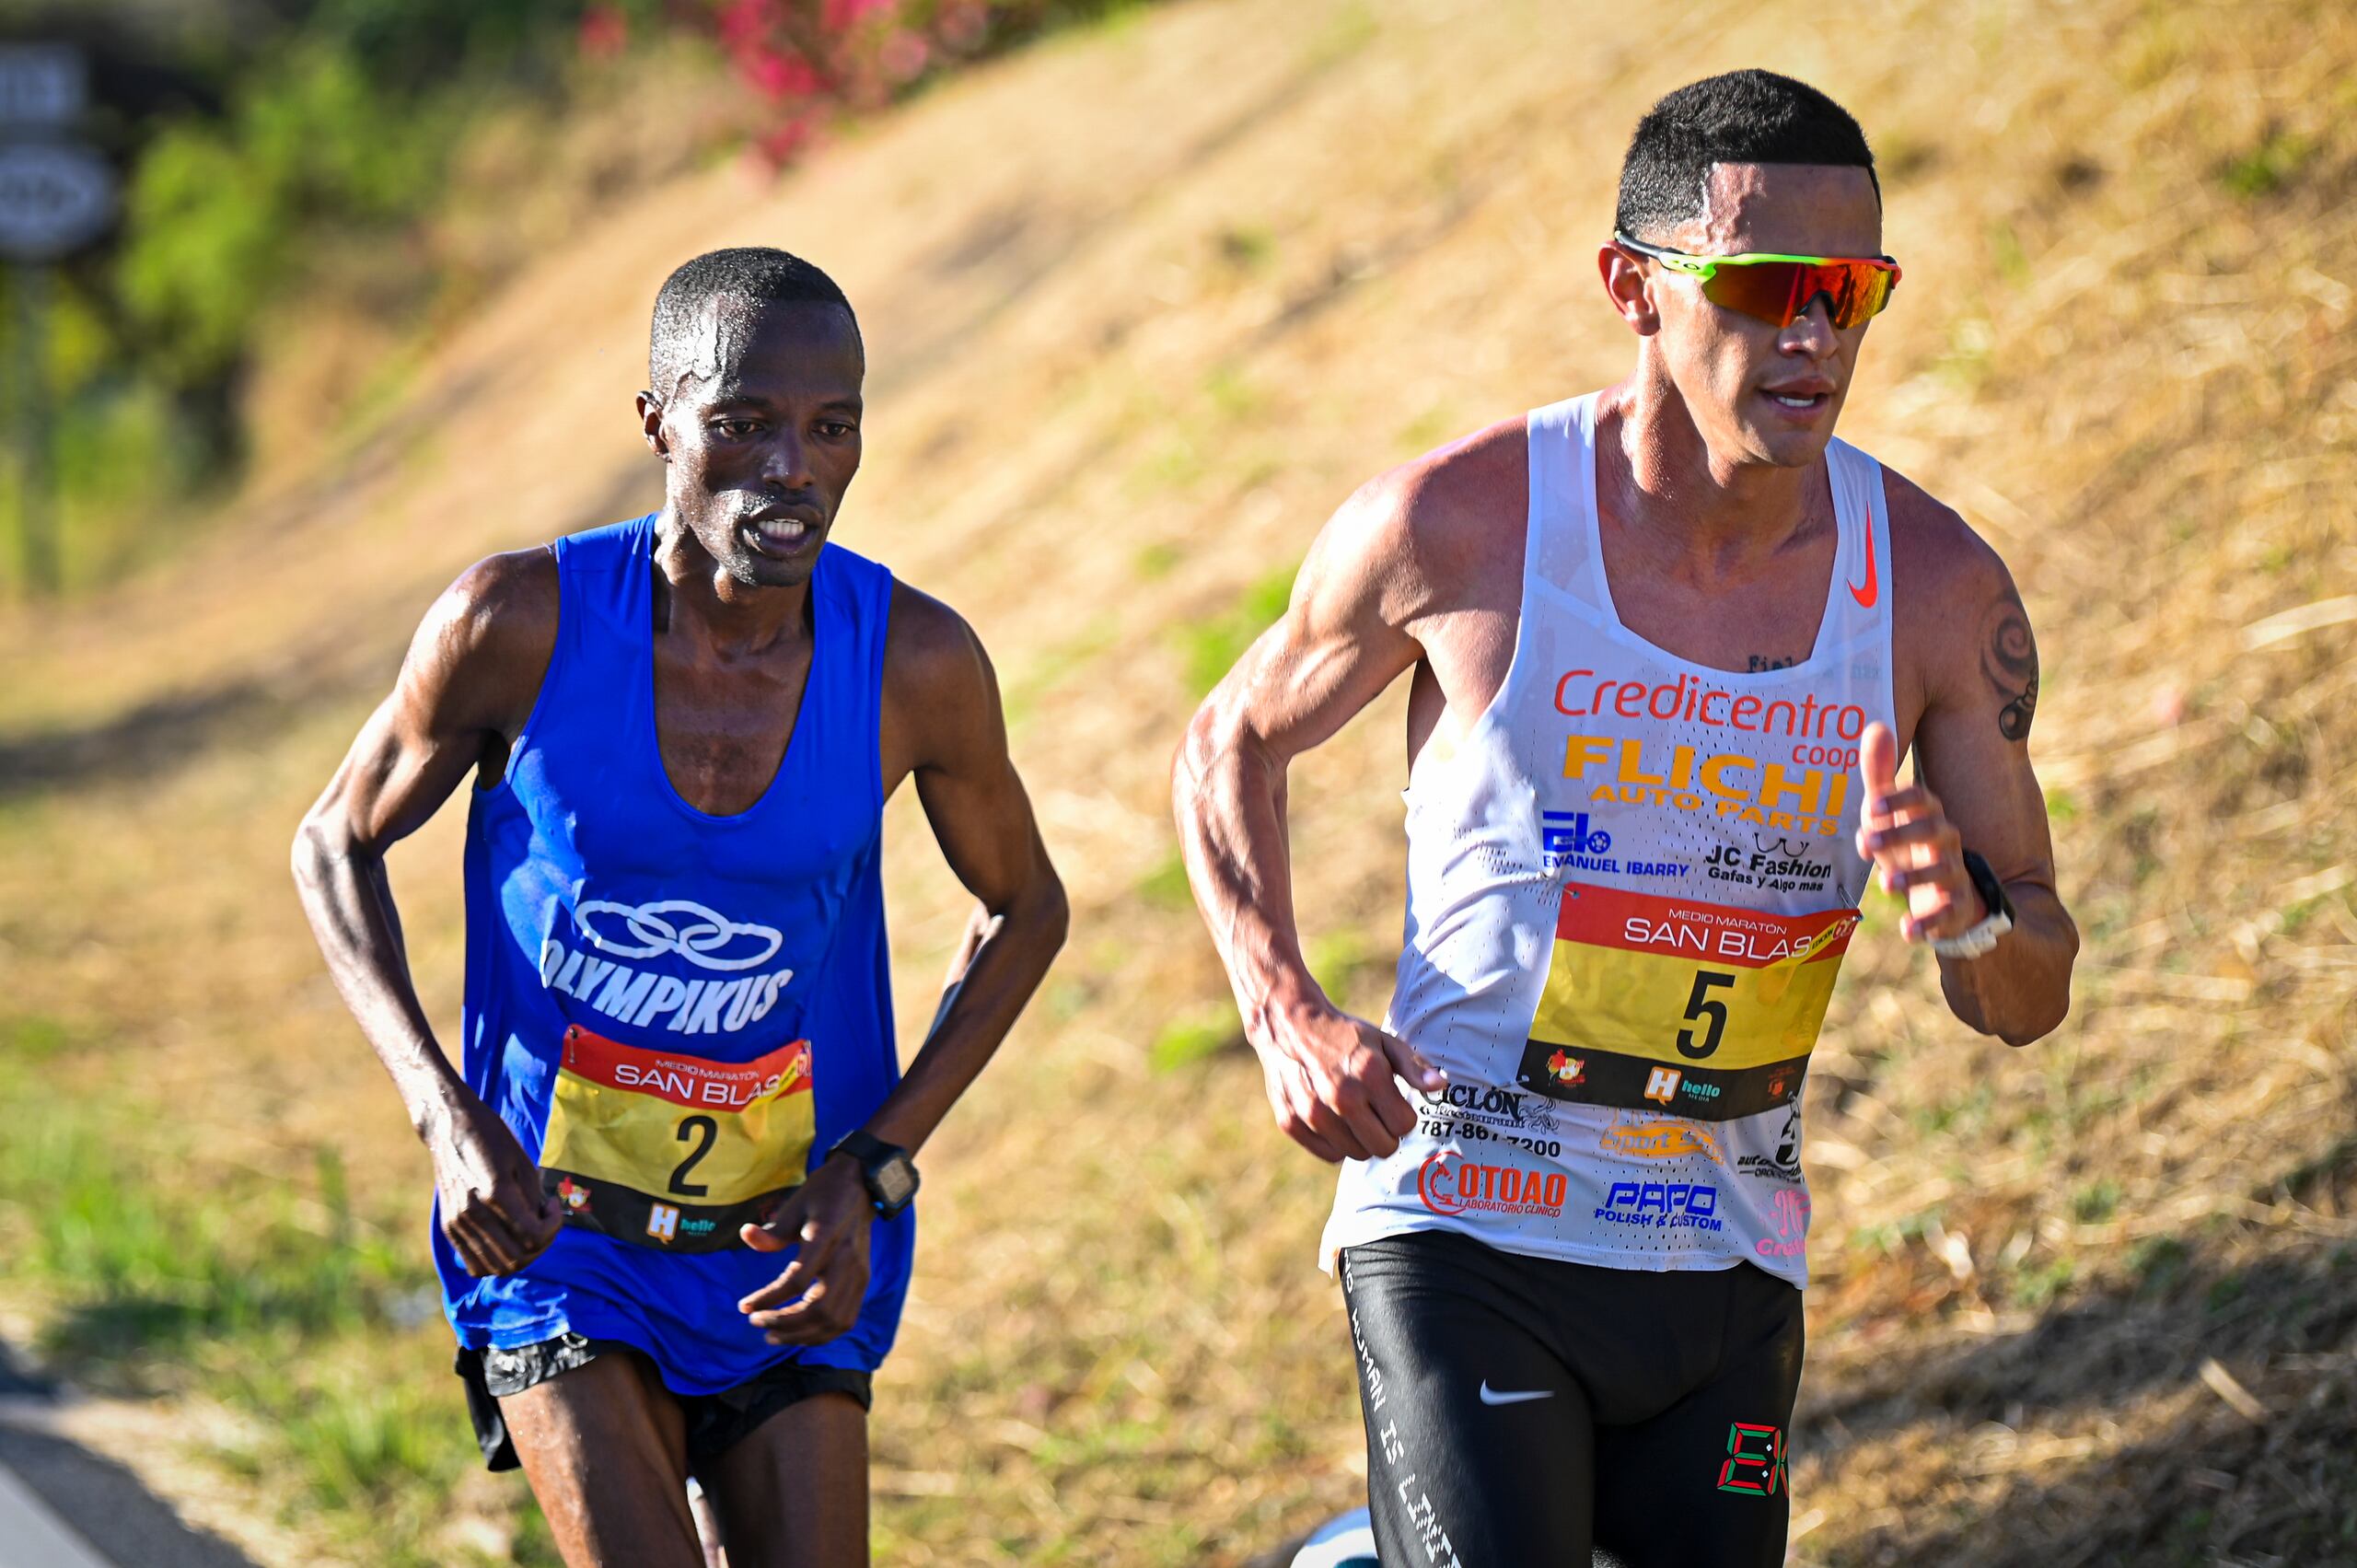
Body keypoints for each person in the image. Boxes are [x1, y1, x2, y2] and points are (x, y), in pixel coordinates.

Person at [1172, 71, 2075, 1564]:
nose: (1815, 335)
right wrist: (1282, 1010)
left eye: (1854, 291)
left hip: (1723, 1256)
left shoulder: (1934, 589)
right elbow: (1229, 739)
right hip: (1471, 1226)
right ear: (1632, 287)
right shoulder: (1460, 526)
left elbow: (2029, 990)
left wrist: (1972, 919)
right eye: (1768, 284)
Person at [293, 247, 1066, 1568]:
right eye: (744, 423)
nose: (792, 468)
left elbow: (1026, 910)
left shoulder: (915, 663)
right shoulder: (517, 622)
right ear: (656, 420)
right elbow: (335, 843)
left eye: (832, 429)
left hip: (779, 1243)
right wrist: (445, 1115)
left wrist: (871, 1167)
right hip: (558, 1230)